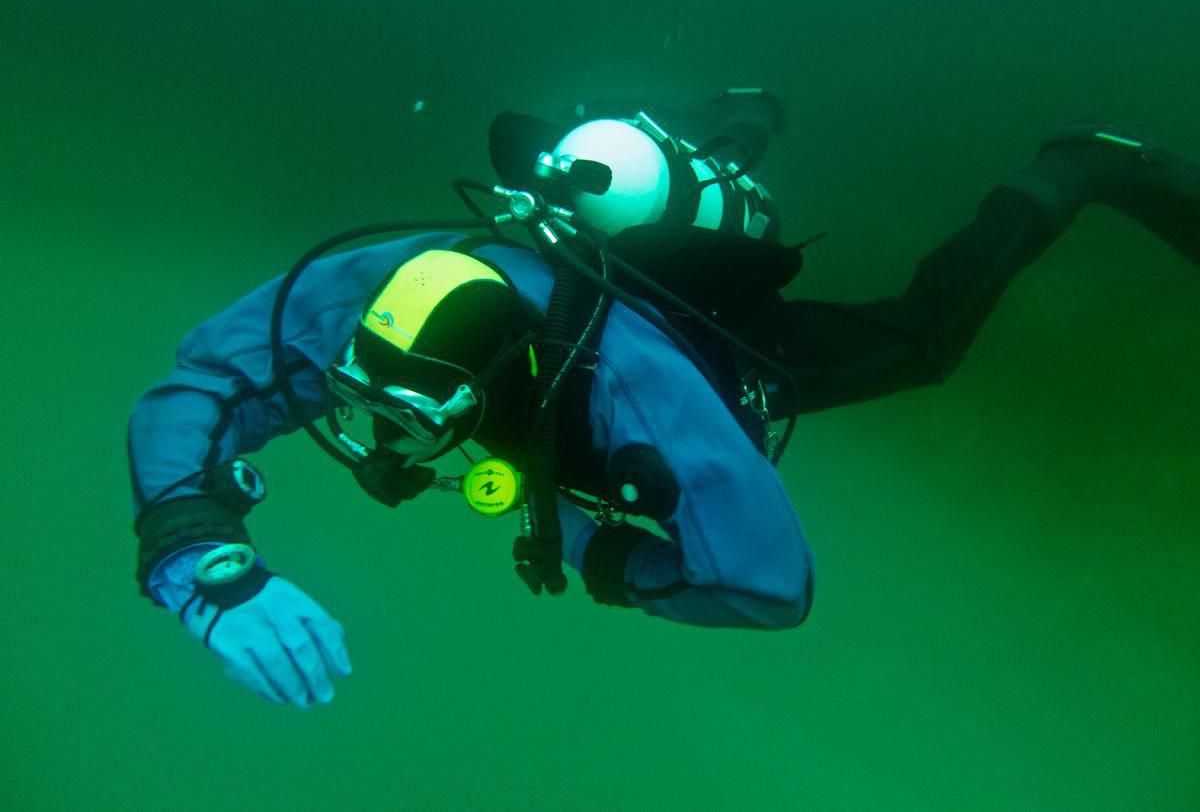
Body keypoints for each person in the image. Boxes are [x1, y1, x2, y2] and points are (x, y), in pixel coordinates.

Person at [127, 90, 1200, 708]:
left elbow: (768, 582)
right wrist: (197, 554)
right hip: (595, 257)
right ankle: (729, 127)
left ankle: (1076, 170)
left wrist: (601, 551)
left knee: (923, 340)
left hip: (718, 332)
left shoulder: (636, 387)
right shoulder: (382, 283)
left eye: (418, 418)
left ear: (499, 377)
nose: (387, 436)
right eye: (365, 397)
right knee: (633, 201)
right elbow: (204, 383)